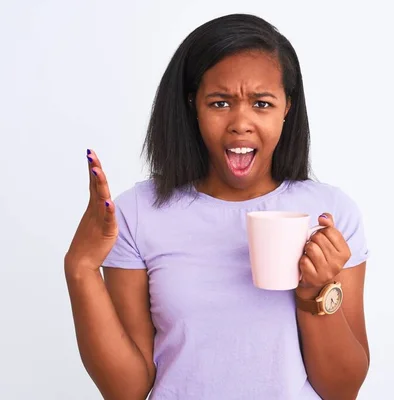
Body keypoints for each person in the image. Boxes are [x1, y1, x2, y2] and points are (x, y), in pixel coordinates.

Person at [64, 13, 370, 400]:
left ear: (287, 107)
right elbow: (127, 391)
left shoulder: (332, 213)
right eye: (220, 102)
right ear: (193, 105)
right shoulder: (136, 214)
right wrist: (81, 267)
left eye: (262, 103)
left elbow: (342, 390)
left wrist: (315, 291)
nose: (240, 123)